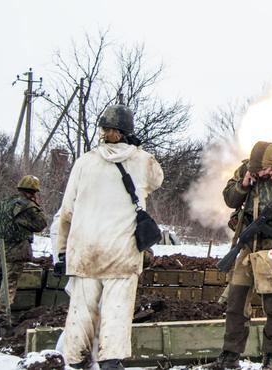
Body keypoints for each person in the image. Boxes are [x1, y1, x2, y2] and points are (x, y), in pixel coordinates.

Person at [56, 104, 164, 370]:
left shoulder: (84, 162)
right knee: (117, 312)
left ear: (103, 130)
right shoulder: (143, 161)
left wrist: (61, 250)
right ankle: (110, 362)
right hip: (121, 253)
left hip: (85, 250)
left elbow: (66, 211)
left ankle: (78, 360)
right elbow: (157, 180)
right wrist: (136, 150)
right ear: (129, 130)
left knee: (81, 311)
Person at [205, 141, 272, 370]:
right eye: (255, 170)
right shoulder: (246, 171)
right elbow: (230, 200)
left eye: (262, 170)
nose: (258, 174)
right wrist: (243, 185)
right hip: (249, 247)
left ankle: (271, 358)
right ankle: (230, 356)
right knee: (235, 303)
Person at [0, 175, 48, 335]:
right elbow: (42, 223)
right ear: (33, 191)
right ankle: (1, 323)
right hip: (15, 252)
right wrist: (33, 205)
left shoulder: (1, 204)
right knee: (8, 287)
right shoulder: (27, 206)